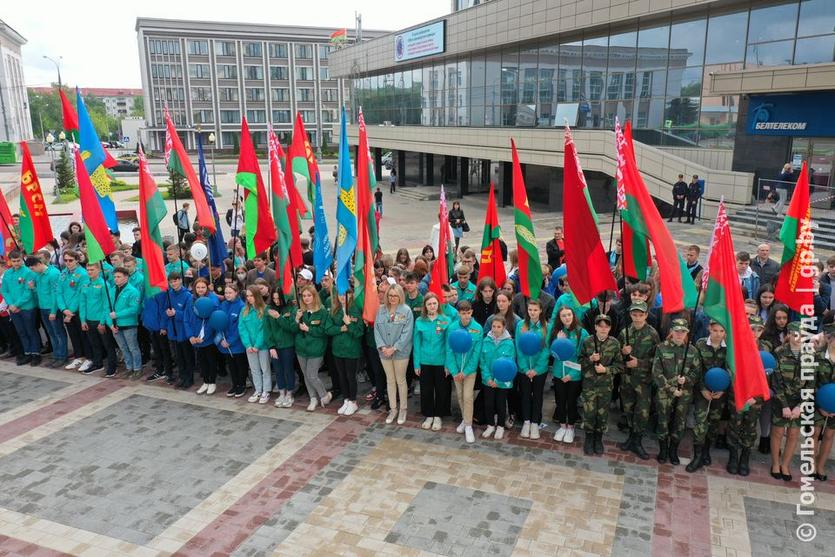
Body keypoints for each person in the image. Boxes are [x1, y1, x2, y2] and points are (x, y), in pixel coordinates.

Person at [770, 322, 812, 481]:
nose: (798, 338)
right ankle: (775, 463)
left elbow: (811, 383)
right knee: (778, 432)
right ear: (788, 334)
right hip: (782, 401)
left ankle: (785, 465)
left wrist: (801, 406)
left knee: (793, 434)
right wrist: (785, 406)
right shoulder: (779, 352)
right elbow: (776, 381)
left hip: (799, 404)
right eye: (795, 334)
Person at [652, 318, 699, 464]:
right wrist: (671, 389)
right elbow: (656, 373)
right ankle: (663, 449)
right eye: (676, 331)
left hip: (684, 394)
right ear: (671, 331)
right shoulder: (661, 348)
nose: (679, 334)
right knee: (663, 421)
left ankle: (673, 450)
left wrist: (687, 380)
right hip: (665, 392)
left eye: (683, 332)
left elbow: (696, 372)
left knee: (680, 422)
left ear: (687, 333)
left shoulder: (692, 351)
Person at [617, 301, 660, 459]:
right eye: (634, 315)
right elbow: (616, 358)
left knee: (642, 412)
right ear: (630, 315)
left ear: (646, 315)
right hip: (627, 380)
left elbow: (658, 360)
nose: (637, 318)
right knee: (628, 409)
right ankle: (631, 438)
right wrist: (622, 352)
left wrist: (639, 363)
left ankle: (638, 441)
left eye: (640, 315)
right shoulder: (624, 333)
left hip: (643, 381)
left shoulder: (653, 334)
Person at [686, 321, 728, 472]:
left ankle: (706, 451)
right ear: (709, 328)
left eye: (721, 331)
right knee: (700, 422)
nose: (717, 334)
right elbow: (697, 368)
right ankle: (697, 456)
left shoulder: (729, 348)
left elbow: (729, 369)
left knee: (714, 422)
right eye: (715, 330)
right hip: (702, 391)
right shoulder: (701, 344)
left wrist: (723, 389)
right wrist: (703, 389)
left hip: (720, 393)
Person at [579, 314, 622, 455]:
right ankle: (589, 437)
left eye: (606, 326)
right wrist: (590, 359)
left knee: (602, 414)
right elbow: (579, 362)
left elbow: (620, 366)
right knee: (589, 412)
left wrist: (606, 370)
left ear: (610, 328)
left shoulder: (615, 343)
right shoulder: (588, 342)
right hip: (589, 385)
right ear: (595, 327)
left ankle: (598, 438)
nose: (603, 329)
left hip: (605, 386)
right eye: (600, 326)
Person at [414, 292, 453, 430]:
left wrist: (448, 364)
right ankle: (429, 414)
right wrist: (416, 363)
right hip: (425, 361)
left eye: (434, 303)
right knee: (426, 390)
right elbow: (416, 344)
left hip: (441, 361)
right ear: (425, 305)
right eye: (429, 304)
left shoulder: (445, 320)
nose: (432, 306)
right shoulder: (419, 321)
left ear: (438, 304)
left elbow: (448, 345)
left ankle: (438, 416)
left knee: (441, 390)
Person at [549, 306, 588, 444]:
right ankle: (562, 426)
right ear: (559, 318)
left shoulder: (581, 333)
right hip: (559, 372)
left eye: (569, 315)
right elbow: (551, 352)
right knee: (560, 400)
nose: (567, 318)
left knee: (571, 401)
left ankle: (570, 427)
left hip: (574, 374)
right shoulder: (556, 331)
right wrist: (558, 341)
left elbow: (583, 356)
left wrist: (571, 375)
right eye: (563, 316)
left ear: (573, 315)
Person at [445, 300, 483, 443]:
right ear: (459, 313)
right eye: (463, 313)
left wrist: (466, 371)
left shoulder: (477, 328)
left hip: (469, 371)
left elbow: (476, 354)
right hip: (456, 371)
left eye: (468, 313)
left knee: (467, 397)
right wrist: (454, 370)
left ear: (472, 312)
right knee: (460, 396)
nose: (466, 316)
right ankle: (465, 419)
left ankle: (468, 426)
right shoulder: (452, 327)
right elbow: (448, 350)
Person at [515, 300, 549, 440]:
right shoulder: (521, 326)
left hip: (539, 370)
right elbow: (519, 347)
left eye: (535, 310)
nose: (532, 313)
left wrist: (537, 369)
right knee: (525, 395)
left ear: (541, 310)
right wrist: (524, 368)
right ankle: (527, 421)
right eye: (530, 310)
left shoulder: (546, 327)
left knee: (538, 396)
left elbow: (546, 349)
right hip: (524, 369)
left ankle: (535, 422)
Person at [326, 291, 364, 416]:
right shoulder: (335, 309)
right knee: (341, 376)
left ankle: (353, 401)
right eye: (340, 295)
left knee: (350, 376)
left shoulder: (355, 309)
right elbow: (328, 328)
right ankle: (346, 399)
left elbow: (359, 332)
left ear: (351, 294)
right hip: (338, 349)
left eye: (345, 295)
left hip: (351, 349)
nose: (342, 297)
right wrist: (340, 328)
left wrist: (349, 324)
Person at [294, 285, 332, 410]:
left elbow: (323, 331)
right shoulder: (300, 311)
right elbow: (293, 330)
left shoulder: (322, 311)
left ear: (314, 296)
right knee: (305, 375)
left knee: (312, 375)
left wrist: (309, 329)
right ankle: (313, 398)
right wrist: (296, 320)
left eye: (309, 295)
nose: (306, 298)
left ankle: (324, 395)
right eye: (304, 296)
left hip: (316, 349)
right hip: (301, 348)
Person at [26, 256, 67, 368]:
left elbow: (55, 293)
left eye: (33, 268)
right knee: (51, 333)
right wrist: (33, 288)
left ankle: (62, 356)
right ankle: (56, 355)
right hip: (43, 307)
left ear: (39, 264)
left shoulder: (53, 273)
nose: (32, 271)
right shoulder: (38, 274)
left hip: (52, 308)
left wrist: (53, 311)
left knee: (58, 332)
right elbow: (40, 291)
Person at [479, 316, 515, 440]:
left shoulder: (509, 343)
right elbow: (482, 361)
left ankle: (500, 426)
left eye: (499, 326)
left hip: (502, 381)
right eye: (493, 326)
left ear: (504, 327)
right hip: (488, 380)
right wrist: (488, 378)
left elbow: (510, 364)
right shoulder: (486, 340)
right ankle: (490, 425)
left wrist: (498, 380)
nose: (495, 329)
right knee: (488, 403)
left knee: (500, 404)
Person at [79, 263, 117, 377]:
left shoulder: (104, 284)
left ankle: (112, 367)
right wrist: (82, 320)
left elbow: (107, 305)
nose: (89, 272)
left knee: (108, 345)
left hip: (101, 320)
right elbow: (82, 303)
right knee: (94, 344)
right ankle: (97, 363)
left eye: (92, 269)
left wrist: (102, 322)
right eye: (88, 270)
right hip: (89, 319)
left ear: (99, 270)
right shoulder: (85, 284)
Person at [2, 251, 41, 366]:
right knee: (21, 332)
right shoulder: (8, 274)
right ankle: (27, 353)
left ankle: (36, 354)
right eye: (14, 261)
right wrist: (11, 304)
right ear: (10, 261)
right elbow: (4, 290)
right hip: (13, 308)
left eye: (18, 260)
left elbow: (28, 292)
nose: (16, 263)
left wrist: (17, 305)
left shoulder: (28, 273)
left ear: (22, 258)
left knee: (31, 331)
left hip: (27, 307)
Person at [107, 267, 144, 379]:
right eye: (114, 277)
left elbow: (134, 309)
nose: (116, 279)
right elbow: (108, 307)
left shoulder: (132, 291)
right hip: (115, 325)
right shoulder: (113, 289)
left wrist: (117, 314)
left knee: (133, 347)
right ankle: (129, 367)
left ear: (126, 277)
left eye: (119, 277)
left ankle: (137, 368)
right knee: (123, 348)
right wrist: (110, 324)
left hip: (128, 324)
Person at [58, 250, 91, 371]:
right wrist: (63, 309)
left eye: (70, 260)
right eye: (65, 260)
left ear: (77, 260)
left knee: (83, 336)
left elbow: (80, 294)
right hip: (66, 311)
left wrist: (70, 311)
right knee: (73, 335)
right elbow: (59, 292)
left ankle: (89, 358)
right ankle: (78, 357)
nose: (68, 263)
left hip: (78, 311)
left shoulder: (83, 273)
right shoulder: (63, 273)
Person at [187, 277, 220, 393]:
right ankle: (205, 382)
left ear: (207, 288)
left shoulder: (213, 300)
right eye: (198, 287)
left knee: (211, 360)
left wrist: (203, 337)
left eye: (203, 287)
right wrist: (191, 336)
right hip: (195, 338)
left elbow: (213, 320)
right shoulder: (191, 299)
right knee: (201, 361)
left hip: (208, 338)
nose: (200, 289)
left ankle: (212, 382)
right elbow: (186, 319)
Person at [266, 289, 297, 407]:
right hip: (275, 346)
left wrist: (279, 317)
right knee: (278, 370)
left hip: (287, 344)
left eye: (278, 299)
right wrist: (271, 346)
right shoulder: (268, 310)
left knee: (288, 369)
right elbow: (267, 329)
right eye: (274, 299)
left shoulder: (291, 309)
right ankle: (281, 392)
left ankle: (289, 393)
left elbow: (291, 328)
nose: (276, 301)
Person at [240, 286, 271, 404]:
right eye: (247, 296)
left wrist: (257, 345)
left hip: (262, 346)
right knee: (254, 369)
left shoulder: (265, 309)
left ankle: (266, 391)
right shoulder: (244, 311)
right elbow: (242, 329)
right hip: (249, 347)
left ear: (257, 296)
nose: (249, 298)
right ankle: (258, 390)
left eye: (251, 296)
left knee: (265, 368)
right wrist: (248, 345)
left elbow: (264, 330)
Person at [216, 284, 248, 397]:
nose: (227, 295)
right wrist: (221, 339)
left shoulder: (241, 306)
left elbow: (240, 327)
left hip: (237, 344)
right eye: (226, 293)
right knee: (231, 366)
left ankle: (242, 385)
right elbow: (218, 321)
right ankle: (234, 384)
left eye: (230, 293)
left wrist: (230, 341)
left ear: (236, 293)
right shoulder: (222, 305)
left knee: (240, 365)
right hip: (225, 343)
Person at [814, 322, 835, 482]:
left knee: (829, 435)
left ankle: (821, 466)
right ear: (829, 339)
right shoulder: (817, 357)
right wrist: (820, 404)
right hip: (817, 404)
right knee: (814, 433)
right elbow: (810, 382)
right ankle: (812, 465)